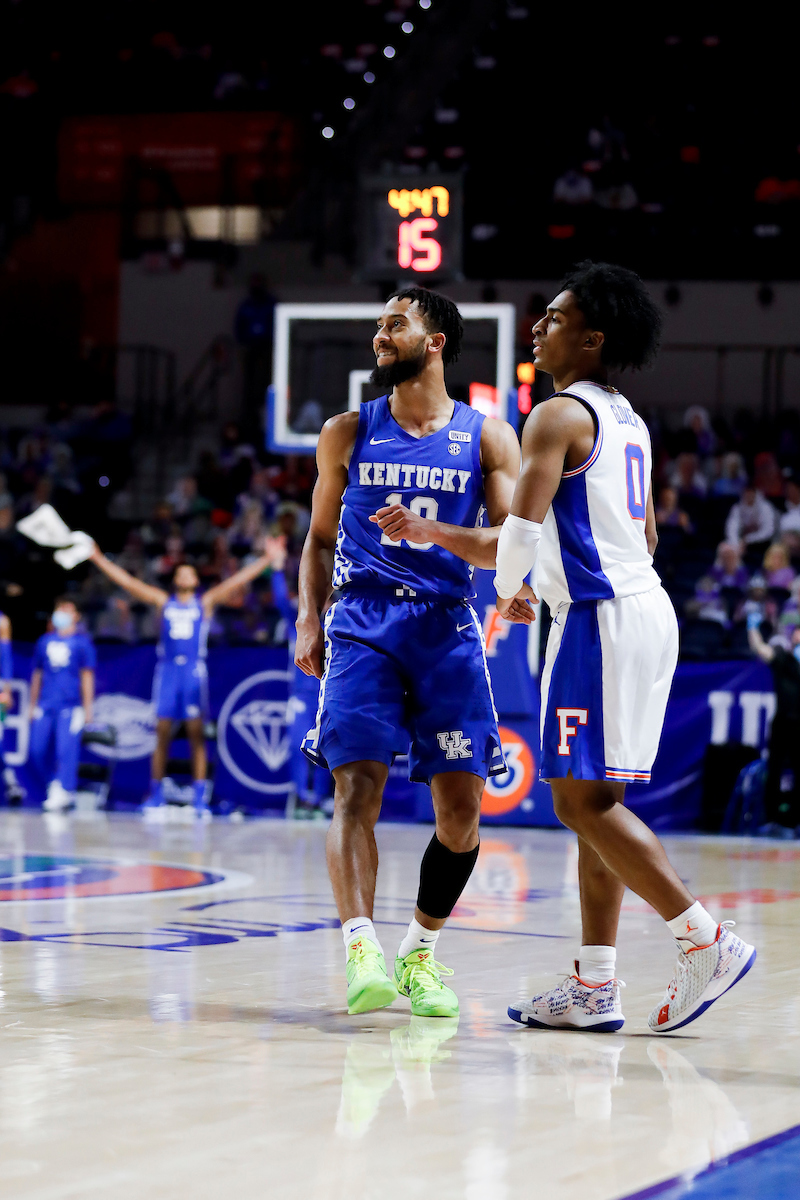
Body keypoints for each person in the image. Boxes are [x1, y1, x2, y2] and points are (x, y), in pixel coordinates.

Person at [493, 260, 756, 1033]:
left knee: (577, 801)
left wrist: (511, 587)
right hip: (644, 610)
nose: (539, 325)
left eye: (555, 317)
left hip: (599, 620)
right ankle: (595, 985)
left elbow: (520, 528)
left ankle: (702, 937)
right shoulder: (627, 418)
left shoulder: (556, 415)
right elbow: (638, 531)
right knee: (596, 803)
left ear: (593, 337)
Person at [295, 286, 527, 1017]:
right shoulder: (346, 431)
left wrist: (437, 538)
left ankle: (419, 953)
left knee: (461, 811)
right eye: (377, 326)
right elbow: (320, 540)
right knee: (354, 788)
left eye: (394, 324)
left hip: (446, 626)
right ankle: (360, 948)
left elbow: (509, 545)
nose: (378, 337)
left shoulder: (487, 437)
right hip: (362, 622)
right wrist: (308, 618)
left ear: (435, 341)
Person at [88, 544, 274, 817]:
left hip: (193, 673)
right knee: (161, 734)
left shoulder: (205, 603)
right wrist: (97, 557)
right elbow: (129, 583)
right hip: (167, 672)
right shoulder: (164, 602)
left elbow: (237, 580)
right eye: (182, 573)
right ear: (176, 579)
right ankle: (156, 794)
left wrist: (267, 559)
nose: (186, 577)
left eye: (190, 574)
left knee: (196, 735)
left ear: (196, 580)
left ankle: (200, 796)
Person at [29, 597, 95, 812]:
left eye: (67, 609)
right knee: (36, 749)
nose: (63, 613)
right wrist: (32, 704)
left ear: (76, 615)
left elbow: (87, 676)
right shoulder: (44, 641)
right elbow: (37, 674)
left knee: (65, 750)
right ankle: (53, 784)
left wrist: (87, 708)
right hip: (46, 703)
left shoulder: (82, 643)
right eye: (60, 609)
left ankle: (65, 789)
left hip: (70, 705)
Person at [748, 617, 800, 836]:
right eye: (796, 633)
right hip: (782, 723)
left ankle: (794, 821)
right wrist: (752, 627)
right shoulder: (783, 658)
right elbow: (760, 648)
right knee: (775, 770)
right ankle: (771, 820)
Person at [725, 484, 777, 551]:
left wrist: (748, 539)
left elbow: (768, 531)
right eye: (746, 493)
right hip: (742, 543)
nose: (748, 495)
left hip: (763, 542)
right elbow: (731, 528)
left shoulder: (766, 508)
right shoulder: (737, 508)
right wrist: (735, 543)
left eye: (751, 493)